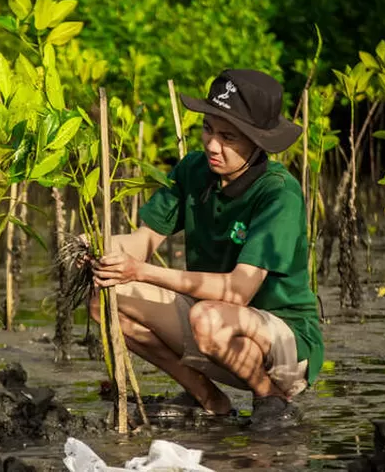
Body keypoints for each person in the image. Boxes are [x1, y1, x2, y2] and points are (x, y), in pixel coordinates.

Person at [88, 69, 324, 430]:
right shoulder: (194, 170)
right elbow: (143, 241)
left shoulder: (279, 193)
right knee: (104, 300)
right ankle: (210, 399)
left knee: (208, 318)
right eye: (209, 129)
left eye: (228, 137)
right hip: (211, 328)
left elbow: (238, 291)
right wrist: (100, 249)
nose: (213, 145)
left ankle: (271, 397)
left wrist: (142, 272)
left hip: (283, 346)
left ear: (257, 142)